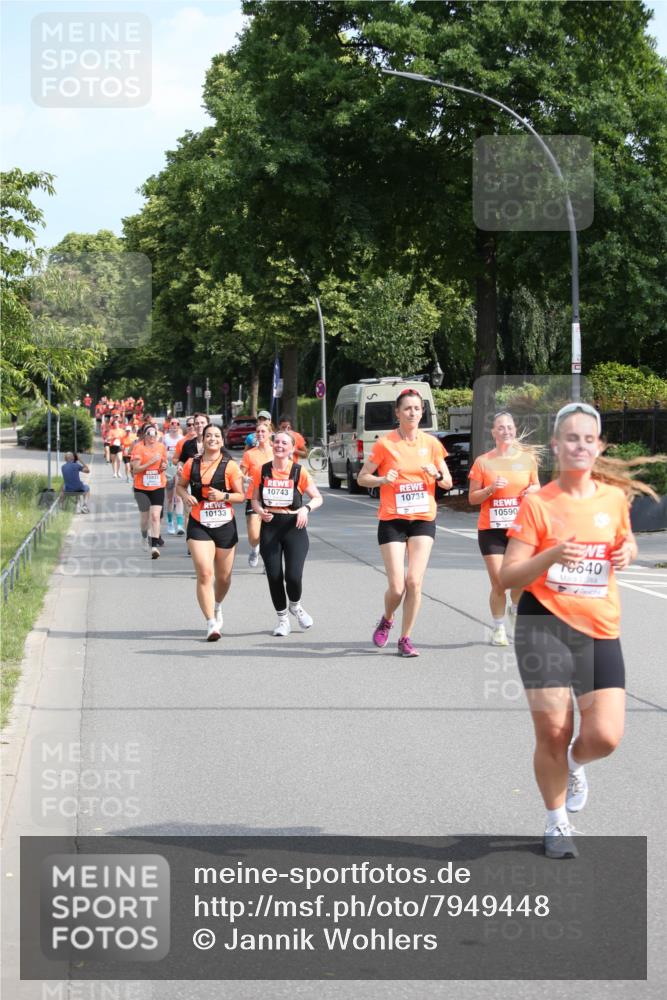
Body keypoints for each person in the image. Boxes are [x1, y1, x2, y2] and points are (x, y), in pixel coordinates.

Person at [499, 401, 654, 860]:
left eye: (588, 438)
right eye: (571, 437)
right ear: (555, 445)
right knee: (552, 731)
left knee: (605, 736)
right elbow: (508, 577)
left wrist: (630, 551)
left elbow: (625, 541)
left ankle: (574, 764)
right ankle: (556, 820)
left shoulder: (612, 498)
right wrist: (550, 557)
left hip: (598, 628)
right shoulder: (538, 503)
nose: (580, 445)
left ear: (599, 446)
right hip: (543, 625)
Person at [357, 388, 452, 657]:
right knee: (397, 587)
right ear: (397, 413)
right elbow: (362, 478)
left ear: (423, 412)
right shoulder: (385, 444)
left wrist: (436, 474)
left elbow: (447, 482)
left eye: (417, 408)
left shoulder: (432, 444)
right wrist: (382, 480)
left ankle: (405, 638)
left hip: (422, 518)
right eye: (407, 408)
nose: (413, 413)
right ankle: (387, 618)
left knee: (414, 581)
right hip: (392, 519)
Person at [468, 411, 541, 646]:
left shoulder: (527, 460)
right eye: (501, 427)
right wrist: (489, 489)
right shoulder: (483, 462)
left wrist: (534, 490)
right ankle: (498, 628)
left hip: (520, 529)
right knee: (499, 581)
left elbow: (537, 485)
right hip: (491, 529)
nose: (506, 431)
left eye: (510, 427)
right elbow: (472, 498)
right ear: (493, 432)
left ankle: (515, 607)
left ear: (515, 430)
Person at [251, 429, 323, 636]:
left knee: (293, 576)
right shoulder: (262, 470)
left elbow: (317, 498)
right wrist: (259, 511)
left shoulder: (299, 472)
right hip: (270, 526)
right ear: (272, 445)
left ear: (292, 449)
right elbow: (254, 499)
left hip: (294, 527)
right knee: (274, 576)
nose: (279, 445)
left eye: (284, 443)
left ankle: (296, 606)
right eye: (277, 442)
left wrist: (305, 509)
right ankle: (283, 620)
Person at [177, 424, 245, 641]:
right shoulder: (191, 463)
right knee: (205, 573)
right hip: (199, 522)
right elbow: (180, 485)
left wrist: (224, 496)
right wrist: (185, 496)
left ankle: (217, 606)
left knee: (224, 578)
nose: (212, 439)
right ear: (202, 439)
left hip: (224, 524)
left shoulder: (230, 466)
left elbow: (240, 496)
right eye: (208, 436)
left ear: (222, 441)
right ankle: (211, 624)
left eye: (216, 436)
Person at [131, 424, 168, 558]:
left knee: (155, 516)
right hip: (141, 488)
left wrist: (164, 466)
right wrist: (150, 462)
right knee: (145, 519)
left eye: (154, 434)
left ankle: (154, 546)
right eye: (149, 434)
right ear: (145, 436)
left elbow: (164, 462)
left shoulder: (161, 447)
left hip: (158, 485)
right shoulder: (138, 448)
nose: (152, 437)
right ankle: (144, 536)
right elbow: (135, 469)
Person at [240, 420, 273, 567]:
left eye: (263, 431)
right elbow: (240, 473)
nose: (259, 434)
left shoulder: (276, 450)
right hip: (254, 496)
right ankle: (255, 548)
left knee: (271, 533)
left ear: (270, 434)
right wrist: (245, 477)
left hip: (274, 497)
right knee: (254, 535)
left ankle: (269, 561)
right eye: (257, 432)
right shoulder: (249, 454)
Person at [163, 417, 185, 535]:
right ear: (169, 425)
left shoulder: (182, 439)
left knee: (179, 497)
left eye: (177, 424)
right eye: (172, 423)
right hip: (169, 468)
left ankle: (180, 525)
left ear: (179, 426)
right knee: (170, 498)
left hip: (179, 467)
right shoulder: (165, 438)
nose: (174, 425)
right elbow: (161, 453)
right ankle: (170, 522)